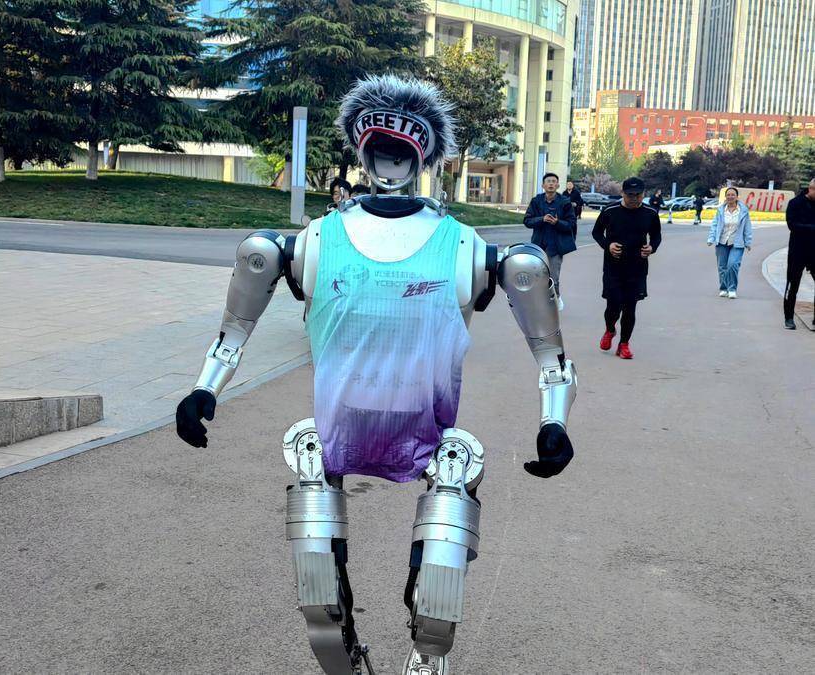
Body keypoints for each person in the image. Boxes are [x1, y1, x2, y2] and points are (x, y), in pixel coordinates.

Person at [174, 74, 578, 675]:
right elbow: (234, 328)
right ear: (363, 152)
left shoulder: (467, 247)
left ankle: (427, 654)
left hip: (429, 429)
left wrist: (554, 422)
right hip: (337, 425)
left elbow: (550, 354)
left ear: (421, 155)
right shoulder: (313, 240)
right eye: (380, 146)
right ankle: (346, 657)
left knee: (437, 607)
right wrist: (203, 389)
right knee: (320, 602)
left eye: (400, 146)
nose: (389, 159)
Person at [592, 176, 662, 359]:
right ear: (622, 193)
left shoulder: (650, 213)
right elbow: (596, 232)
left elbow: (656, 236)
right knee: (613, 305)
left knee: (630, 307)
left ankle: (624, 344)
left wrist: (652, 248)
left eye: (638, 195)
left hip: (637, 267)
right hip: (613, 266)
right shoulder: (610, 211)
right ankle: (610, 329)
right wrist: (608, 245)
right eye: (630, 195)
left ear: (643, 194)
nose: (634, 199)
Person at [524, 172, 577, 310]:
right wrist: (541, 219)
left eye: (554, 181)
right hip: (538, 246)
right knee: (537, 275)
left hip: (556, 246)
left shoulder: (564, 202)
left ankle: (556, 298)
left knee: (553, 276)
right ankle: (538, 301)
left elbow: (571, 223)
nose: (551, 184)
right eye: (548, 181)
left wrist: (557, 222)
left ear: (558, 185)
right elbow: (527, 221)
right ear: (543, 185)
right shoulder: (536, 201)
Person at [707, 187, 752, 298]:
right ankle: (724, 288)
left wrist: (748, 242)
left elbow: (747, 227)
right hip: (722, 242)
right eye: (728, 195)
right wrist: (711, 238)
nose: (730, 197)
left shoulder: (743, 211)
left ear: (737, 197)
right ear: (725, 197)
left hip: (737, 243)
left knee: (733, 265)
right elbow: (714, 225)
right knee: (722, 267)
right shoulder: (721, 210)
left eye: (733, 195)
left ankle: (732, 289)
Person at [783, 178, 815, 330]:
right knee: (793, 284)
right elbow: (792, 225)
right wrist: (812, 228)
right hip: (798, 249)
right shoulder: (795, 203)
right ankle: (789, 317)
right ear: (811, 188)